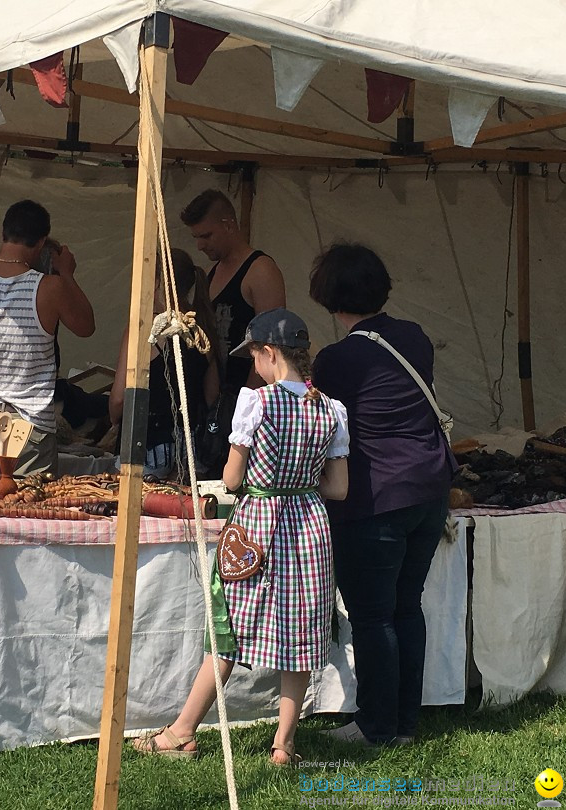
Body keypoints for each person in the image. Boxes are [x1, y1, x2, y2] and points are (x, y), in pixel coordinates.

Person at [133, 308, 349, 765]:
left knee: (229, 627)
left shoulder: (255, 401)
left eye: (255, 356)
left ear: (270, 353)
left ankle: (182, 731)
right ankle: (283, 745)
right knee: (302, 631)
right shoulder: (331, 409)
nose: (253, 366)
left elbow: (231, 479)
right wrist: (300, 482)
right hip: (309, 525)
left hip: (259, 523)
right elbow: (339, 487)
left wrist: (261, 477)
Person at [309, 243, 455, 747]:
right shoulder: (413, 337)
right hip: (429, 489)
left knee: (373, 616)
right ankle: (404, 723)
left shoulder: (336, 359)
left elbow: (326, 431)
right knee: (406, 608)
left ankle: (377, 726)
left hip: (376, 497)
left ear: (329, 296)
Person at [0, 200, 94, 476]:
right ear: (41, 242)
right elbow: (86, 326)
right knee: (29, 512)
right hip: (30, 423)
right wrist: (67, 273)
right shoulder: (51, 288)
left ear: (3, 233)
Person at [180, 190, 286, 472]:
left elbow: (270, 345)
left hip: (245, 406)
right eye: (196, 238)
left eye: (206, 235)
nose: (200, 245)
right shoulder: (213, 272)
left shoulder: (260, 270)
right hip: (217, 405)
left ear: (228, 225)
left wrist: (247, 410)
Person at [108, 249, 219, 479]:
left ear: (157, 281)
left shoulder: (142, 330)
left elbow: (119, 398)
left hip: (147, 447)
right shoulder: (202, 330)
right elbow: (212, 398)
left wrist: (113, 419)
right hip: (191, 451)